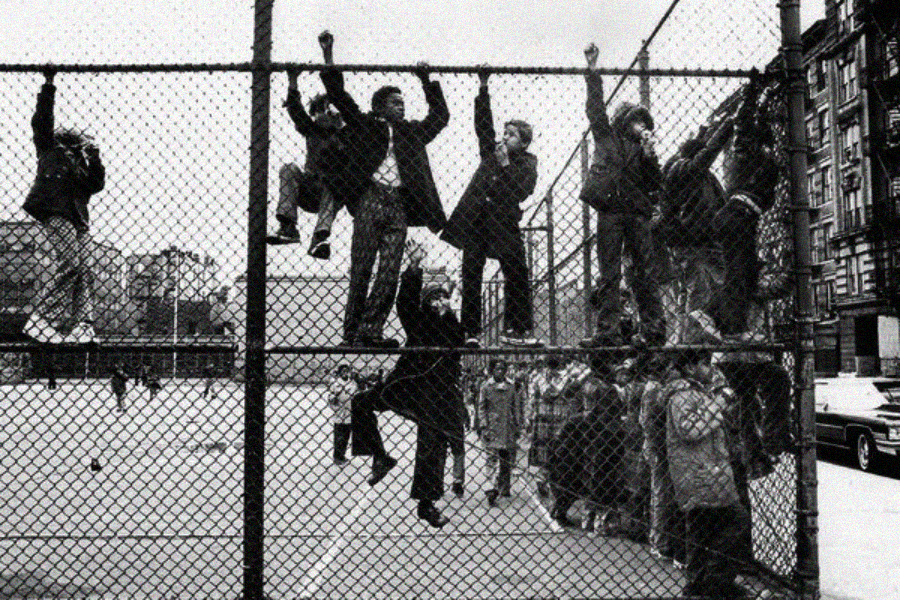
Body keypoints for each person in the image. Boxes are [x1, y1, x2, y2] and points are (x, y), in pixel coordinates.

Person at [320, 33, 449, 348]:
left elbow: (440, 117)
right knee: (362, 267)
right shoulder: (367, 125)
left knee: (390, 271)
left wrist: (426, 80)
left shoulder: (411, 132)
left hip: (398, 205)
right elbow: (339, 96)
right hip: (370, 199)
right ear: (380, 107)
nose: (401, 107)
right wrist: (328, 55)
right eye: (395, 102)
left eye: (404, 102)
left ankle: (371, 331)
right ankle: (351, 333)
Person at [351, 241, 465, 528]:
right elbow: (405, 302)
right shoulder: (418, 322)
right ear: (425, 303)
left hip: (435, 394)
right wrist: (413, 268)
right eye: (433, 299)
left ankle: (426, 505)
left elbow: (464, 340)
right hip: (406, 385)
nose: (439, 302)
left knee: (431, 444)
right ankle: (380, 456)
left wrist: (455, 294)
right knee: (360, 402)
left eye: (443, 298)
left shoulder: (454, 326)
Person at [440, 69, 539, 348]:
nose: (504, 138)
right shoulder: (491, 152)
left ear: (523, 142)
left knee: (517, 270)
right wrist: (483, 87)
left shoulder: (527, 163)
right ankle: (470, 332)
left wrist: (507, 165)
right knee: (471, 272)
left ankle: (517, 330)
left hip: (505, 221)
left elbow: (522, 191)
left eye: (512, 135)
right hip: (477, 220)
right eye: (504, 133)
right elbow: (483, 124)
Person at [578, 43, 664, 349]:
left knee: (645, 272)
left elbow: (656, 185)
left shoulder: (644, 149)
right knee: (610, 273)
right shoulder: (607, 136)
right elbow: (595, 108)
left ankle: (654, 329)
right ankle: (608, 331)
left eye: (644, 123)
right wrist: (593, 71)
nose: (642, 126)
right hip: (612, 211)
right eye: (637, 121)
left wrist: (651, 155)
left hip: (637, 213)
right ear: (624, 121)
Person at [21, 69, 105, 345]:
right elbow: (42, 122)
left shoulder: (82, 168)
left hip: (79, 219)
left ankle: (84, 324)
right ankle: (40, 319)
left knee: (84, 270)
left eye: (76, 146)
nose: (72, 150)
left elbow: (96, 184)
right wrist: (48, 86)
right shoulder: (49, 150)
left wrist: (95, 158)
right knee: (70, 264)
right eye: (69, 144)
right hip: (56, 212)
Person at [664, 344, 751, 599]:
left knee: (702, 533)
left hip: (707, 474)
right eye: (705, 364)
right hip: (700, 476)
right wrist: (720, 402)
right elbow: (690, 430)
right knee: (737, 521)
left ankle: (697, 587)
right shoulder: (680, 396)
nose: (710, 369)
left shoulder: (696, 392)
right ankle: (715, 583)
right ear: (690, 367)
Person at [269, 32, 345, 260]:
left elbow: (338, 92)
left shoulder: (348, 133)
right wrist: (292, 80)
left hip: (331, 193)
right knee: (289, 168)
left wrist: (328, 54)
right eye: (320, 110)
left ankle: (320, 239)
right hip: (309, 188)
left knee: (334, 183)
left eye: (329, 109)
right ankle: (288, 227)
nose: (325, 113)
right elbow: (296, 111)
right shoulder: (312, 130)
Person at [660, 113, 734, 344]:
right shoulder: (683, 169)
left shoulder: (695, 173)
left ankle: (687, 339)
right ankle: (690, 342)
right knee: (698, 291)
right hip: (694, 241)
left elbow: (701, 148)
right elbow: (708, 152)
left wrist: (704, 131)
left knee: (701, 290)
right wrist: (729, 125)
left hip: (703, 240)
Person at [478, 359, 524, 507]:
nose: (500, 372)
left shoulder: (511, 387)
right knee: (491, 457)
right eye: (497, 369)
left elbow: (515, 406)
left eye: (503, 369)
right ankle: (490, 488)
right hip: (492, 425)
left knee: (506, 458)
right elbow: (481, 407)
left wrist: (518, 424)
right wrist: (483, 424)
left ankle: (504, 487)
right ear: (492, 371)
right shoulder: (486, 386)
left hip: (507, 426)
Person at [327, 364, 357, 466]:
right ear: (340, 373)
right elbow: (330, 395)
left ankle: (342, 455)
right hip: (339, 412)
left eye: (346, 371)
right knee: (338, 436)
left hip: (349, 412)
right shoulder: (335, 384)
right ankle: (337, 456)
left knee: (346, 436)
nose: (345, 373)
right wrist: (332, 398)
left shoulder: (352, 383)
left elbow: (357, 393)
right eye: (343, 371)